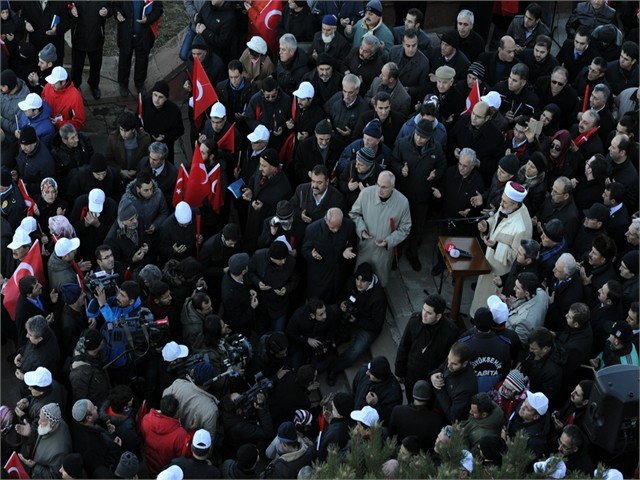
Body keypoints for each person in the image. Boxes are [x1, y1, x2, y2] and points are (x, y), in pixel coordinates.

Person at [470, 181, 533, 317]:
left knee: (490, 305)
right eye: (502, 200)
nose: (501, 204)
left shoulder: (522, 227)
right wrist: (486, 225)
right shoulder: (507, 207)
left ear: (515, 204)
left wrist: (496, 246)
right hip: (489, 261)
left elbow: (517, 256)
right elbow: (497, 221)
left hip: (500, 271)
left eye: (504, 202)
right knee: (480, 296)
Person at [391, 119, 446, 271]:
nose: (419, 139)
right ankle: (396, 255)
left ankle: (412, 254)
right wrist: (400, 169)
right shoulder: (402, 144)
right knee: (399, 228)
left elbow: (442, 167)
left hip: (422, 197)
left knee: (417, 229)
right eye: (417, 135)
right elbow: (393, 161)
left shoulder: (436, 149)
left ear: (430, 137)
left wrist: (435, 175)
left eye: (423, 137)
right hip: (402, 196)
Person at [326, 262, 387, 386]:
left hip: (367, 325)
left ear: (370, 282)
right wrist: (342, 302)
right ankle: (335, 340)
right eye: (358, 279)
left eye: (363, 281)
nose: (359, 283)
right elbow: (344, 292)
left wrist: (356, 321)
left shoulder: (378, 298)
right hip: (352, 313)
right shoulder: (353, 281)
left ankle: (334, 368)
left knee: (355, 351)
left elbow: (376, 325)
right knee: (331, 315)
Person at [349, 170, 411, 286]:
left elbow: (405, 228)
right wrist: (361, 230)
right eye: (378, 185)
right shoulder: (366, 193)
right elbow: (354, 214)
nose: (379, 190)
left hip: (384, 252)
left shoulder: (402, 202)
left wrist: (389, 241)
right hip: (365, 246)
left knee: (380, 280)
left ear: (393, 187)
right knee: (360, 279)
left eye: (384, 187)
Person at [395, 294, 459, 404]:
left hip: (431, 377)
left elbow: (448, 360)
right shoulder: (415, 320)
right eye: (423, 310)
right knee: (411, 400)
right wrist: (399, 371)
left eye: (429, 313)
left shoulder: (450, 332)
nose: (424, 315)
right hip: (412, 373)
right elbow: (404, 347)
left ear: (438, 316)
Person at [301, 208, 357, 303]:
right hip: (320, 277)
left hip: (338, 276)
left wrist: (346, 252)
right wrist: (312, 254)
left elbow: (352, 245)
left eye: (338, 227)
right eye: (332, 227)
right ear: (326, 220)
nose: (335, 230)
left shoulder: (349, 226)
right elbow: (305, 250)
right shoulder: (312, 229)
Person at [113, 1, 163, 96]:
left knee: (142, 61)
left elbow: (158, 9)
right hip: (126, 34)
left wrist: (148, 19)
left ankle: (139, 84)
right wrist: (117, 13)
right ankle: (123, 84)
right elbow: (115, 6)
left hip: (144, 35)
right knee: (124, 59)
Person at [163, 361, 220, 441]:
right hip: (187, 447)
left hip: (167, 437)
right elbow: (207, 442)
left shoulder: (177, 384)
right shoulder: (211, 410)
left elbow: (164, 401)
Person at [460, 308, 512, 393]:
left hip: (469, 393)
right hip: (494, 395)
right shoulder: (504, 345)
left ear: (475, 324)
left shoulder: (465, 345)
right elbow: (506, 372)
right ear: (492, 323)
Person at [15, 403, 72, 479]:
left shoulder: (59, 452)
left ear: (52, 424)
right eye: (39, 418)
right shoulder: (55, 422)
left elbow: (54, 476)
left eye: (42, 420)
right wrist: (30, 433)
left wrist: (35, 466)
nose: (39, 422)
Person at [140, 394, 190, 478]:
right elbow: (183, 457)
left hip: (148, 466)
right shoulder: (180, 434)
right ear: (176, 412)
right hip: (167, 473)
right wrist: (191, 432)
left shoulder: (146, 419)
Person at [70, 399, 121, 477]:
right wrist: (116, 448)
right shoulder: (89, 447)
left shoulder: (78, 422)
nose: (96, 407)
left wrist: (105, 427)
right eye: (93, 408)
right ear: (88, 418)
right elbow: (104, 465)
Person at [389, 380, 443, 454]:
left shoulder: (398, 411)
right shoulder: (436, 419)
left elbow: (391, 436)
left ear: (413, 394)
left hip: (401, 453)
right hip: (423, 460)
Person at [430, 342, 478, 424]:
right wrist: (432, 376)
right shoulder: (452, 360)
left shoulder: (466, 388)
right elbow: (441, 368)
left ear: (464, 364)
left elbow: (453, 416)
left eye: (454, 364)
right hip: (436, 406)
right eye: (448, 360)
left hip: (445, 421)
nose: (449, 365)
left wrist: (439, 388)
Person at [140, 82, 184, 164]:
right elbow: (138, 118)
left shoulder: (174, 111)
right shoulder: (145, 104)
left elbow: (179, 130)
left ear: (166, 98)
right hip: (146, 143)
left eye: (160, 97)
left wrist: (165, 137)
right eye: (155, 95)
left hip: (164, 146)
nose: (156, 100)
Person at [521, 327, 565, 406]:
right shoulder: (533, 349)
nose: (530, 350)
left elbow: (544, 396)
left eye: (533, 349)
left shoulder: (553, 371)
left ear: (545, 349)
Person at [352, 356, 402, 425]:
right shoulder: (363, 371)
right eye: (369, 369)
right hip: (355, 416)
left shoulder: (394, 395)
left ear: (379, 378)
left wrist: (377, 404)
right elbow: (354, 390)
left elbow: (389, 419)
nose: (367, 372)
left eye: (371, 373)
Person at [506, 391, 550, 458]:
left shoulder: (535, 442)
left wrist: (510, 447)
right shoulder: (522, 409)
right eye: (524, 402)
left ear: (536, 417)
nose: (522, 407)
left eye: (527, 408)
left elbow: (523, 462)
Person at [316, 392, 354, 461]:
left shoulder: (333, 434)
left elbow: (322, 454)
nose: (331, 404)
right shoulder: (351, 422)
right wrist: (332, 421)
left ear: (339, 410)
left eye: (333, 407)